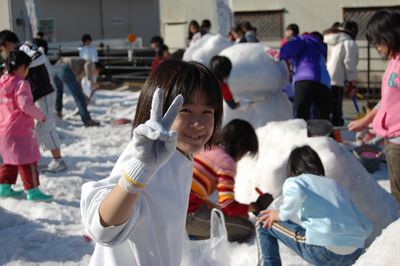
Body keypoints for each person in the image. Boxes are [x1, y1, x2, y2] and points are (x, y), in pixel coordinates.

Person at [80, 59, 223, 266]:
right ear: (156, 110)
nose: (198, 124)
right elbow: (103, 229)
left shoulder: (180, 154)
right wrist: (138, 173)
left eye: (207, 112)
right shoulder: (146, 157)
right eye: (186, 111)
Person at [257, 145, 372, 266]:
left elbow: (296, 193)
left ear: (293, 167)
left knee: (262, 220)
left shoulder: (296, 181)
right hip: (354, 252)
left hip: (323, 251)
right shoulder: (337, 186)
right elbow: (366, 225)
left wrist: (281, 214)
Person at [187, 119, 273, 243]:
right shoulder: (226, 162)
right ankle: (191, 237)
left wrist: (236, 211)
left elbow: (195, 193)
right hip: (188, 216)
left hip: (178, 208)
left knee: (229, 218)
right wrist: (256, 206)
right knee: (246, 228)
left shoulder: (206, 148)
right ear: (241, 147)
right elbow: (228, 206)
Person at [348, 10, 400, 205]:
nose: (378, 48)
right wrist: (367, 121)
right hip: (392, 140)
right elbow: (386, 100)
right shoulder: (394, 62)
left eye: (378, 42)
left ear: (390, 35)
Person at [0, 30, 67, 173]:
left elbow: (40, 58)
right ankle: (35, 159)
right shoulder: (14, 57)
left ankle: (58, 160)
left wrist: (20, 61)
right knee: (35, 129)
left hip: (43, 93)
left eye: (2, 49)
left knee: (46, 126)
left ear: (6, 44)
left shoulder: (25, 47)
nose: (2, 53)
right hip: (33, 96)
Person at [0, 50, 53, 201]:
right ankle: (33, 191)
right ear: (23, 67)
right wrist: (42, 116)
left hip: (3, 131)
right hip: (20, 131)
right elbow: (26, 105)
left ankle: (3, 187)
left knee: (9, 161)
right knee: (28, 162)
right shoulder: (22, 84)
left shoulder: (2, 81)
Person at [279, 32, 331, 120]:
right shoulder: (321, 47)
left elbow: (287, 50)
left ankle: (302, 132)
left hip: (305, 78)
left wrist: (279, 54)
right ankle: (322, 133)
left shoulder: (304, 39)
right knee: (322, 117)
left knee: (301, 114)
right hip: (324, 83)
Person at [324, 21, 358, 126]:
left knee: (327, 106)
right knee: (336, 108)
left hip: (325, 75)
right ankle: (336, 132)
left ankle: (329, 129)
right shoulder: (348, 42)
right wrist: (351, 81)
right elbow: (349, 62)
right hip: (337, 77)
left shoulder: (330, 40)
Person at [52, 57, 100, 126]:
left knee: (59, 92)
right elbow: (87, 65)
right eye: (97, 72)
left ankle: (58, 113)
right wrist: (91, 81)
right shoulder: (91, 63)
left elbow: (78, 87)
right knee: (78, 97)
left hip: (55, 68)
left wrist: (85, 97)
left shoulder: (78, 70)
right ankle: (87, 120)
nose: (97, 75)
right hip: (65, 67)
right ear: (96, 68)